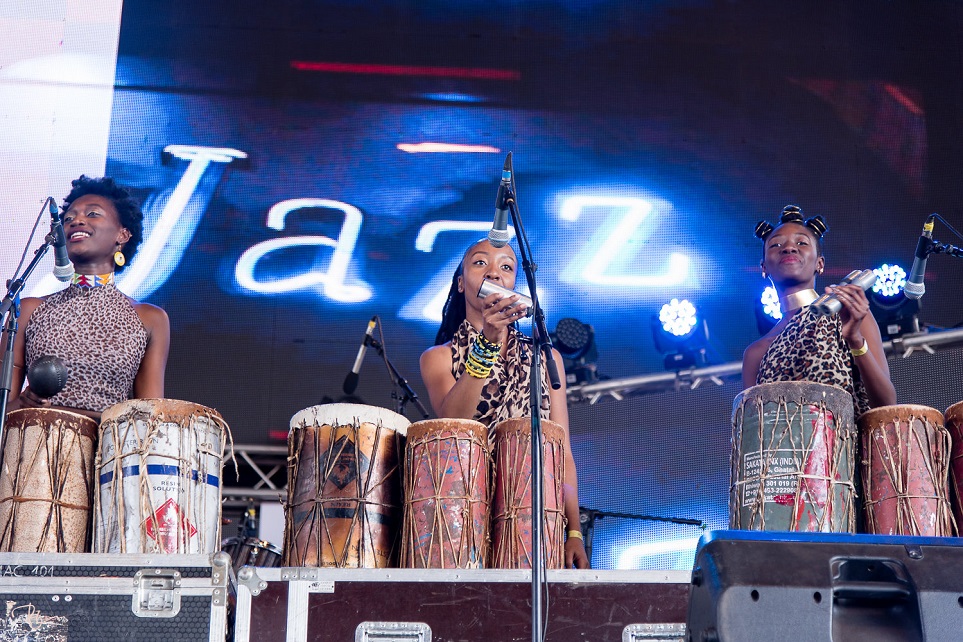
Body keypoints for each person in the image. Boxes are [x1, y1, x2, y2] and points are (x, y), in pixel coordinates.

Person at [420, 239, 590, 569]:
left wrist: (574, 531)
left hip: (533, 519)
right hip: (463, 517)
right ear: (460, 282)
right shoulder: (439, 358)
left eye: (506, 267)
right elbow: (454, 421)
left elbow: (562, 452)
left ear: (514, 284)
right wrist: (486, 343)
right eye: (480, 263)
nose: (494, 273)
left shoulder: (546, 358)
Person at [6, 175, 170, 422]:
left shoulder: (148, 318)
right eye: (69, 218)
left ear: (123, 235)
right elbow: (1, 411)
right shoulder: (28, 310)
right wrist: (22, 403)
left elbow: (150, 418)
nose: (76, 221)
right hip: (33, 453)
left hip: (108, 455)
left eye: (92, 214)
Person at [741, 205, 896, 416]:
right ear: (764, 268)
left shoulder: (848, 314)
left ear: (820, 264)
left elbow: (887, 404)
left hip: (847, 447)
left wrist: (855, 341)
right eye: (776, 244)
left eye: (802, 242)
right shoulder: (755, 353)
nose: (788, 248)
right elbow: (752, 430)